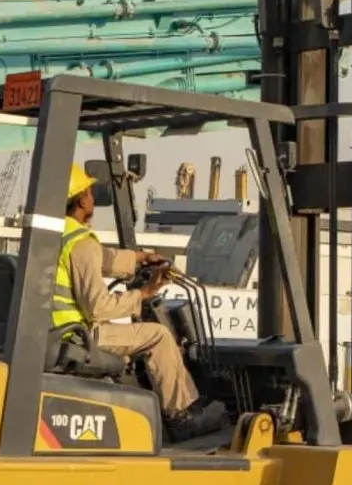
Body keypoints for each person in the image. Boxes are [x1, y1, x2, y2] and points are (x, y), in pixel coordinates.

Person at [54, 163, 229, 440]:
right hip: (77, 336)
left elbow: (102, 259)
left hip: (58, 333)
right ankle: (181, 415)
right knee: (157, 335)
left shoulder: (55, 236)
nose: (92, 196)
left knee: (123, 330)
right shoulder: (80, 243)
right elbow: (98, 307)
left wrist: (141, 258)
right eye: (89, 191)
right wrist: (144, 294)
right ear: (82, 199)